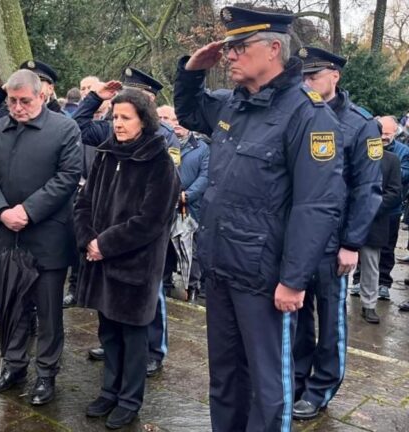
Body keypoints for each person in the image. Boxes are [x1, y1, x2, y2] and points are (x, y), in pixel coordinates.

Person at [174, 6, 346, 431]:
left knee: (269, 389)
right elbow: (190, 114)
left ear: (274, 48)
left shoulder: (307, 114)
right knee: (225, 380)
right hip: (222, 266)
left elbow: (317, 205)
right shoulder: (237, 104)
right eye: (228, 47)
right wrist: (192, 72)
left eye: (238, 46)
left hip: (265, 278)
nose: (229, 55)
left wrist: (293, 279)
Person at [74, 88, 180, 429]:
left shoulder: (159, 161)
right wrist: (88, 238)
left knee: (134, 337)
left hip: (135, 265)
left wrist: (105, 243)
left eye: (125, 118)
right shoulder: (106, 155)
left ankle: (130, 399)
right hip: (101, 261)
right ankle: (109, 390)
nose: (117, 124)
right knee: (108, 331)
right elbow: (84, 202)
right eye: (115, 117)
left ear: (143, 120)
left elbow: (151, 220)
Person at [0, 69, 82, 406]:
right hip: (8, 236)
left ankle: (47, 374)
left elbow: (68, 177)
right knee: (9, 306)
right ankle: (14, 365)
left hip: (47, 236)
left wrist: (29, 210)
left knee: (48, 312)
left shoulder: (64, 128)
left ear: (42, 96)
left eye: (25, 101)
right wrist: (2, 210)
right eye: (12, 101)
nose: (18, 108)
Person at [290, 47, 383, 420]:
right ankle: (296, 378)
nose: (307, 82)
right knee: (295, 315)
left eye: (314, 75)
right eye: (304, 76)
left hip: (334, 245)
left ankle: (322, 385)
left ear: (335, 76)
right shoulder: (298, 115)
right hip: (299, 238)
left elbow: (367, 189)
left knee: (330, 320)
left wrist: (351, 244)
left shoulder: (361, 125)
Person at [352, 116, 408, 300]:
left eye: (387, 133)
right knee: (359, 248)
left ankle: (383, 283)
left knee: (384, 250)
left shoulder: (400, 153)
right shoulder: (360, 153)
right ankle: (359, 281)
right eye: (380, 132)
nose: (383, 137)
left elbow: (401, 180)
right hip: (362, 212)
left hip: (388, 212)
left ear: (395, 133)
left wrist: (373, 205)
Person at [157, 105, 210, 300]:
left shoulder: (201, 147)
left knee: (191, 249)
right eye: (166, 118)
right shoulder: (160, 142)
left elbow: (206, 175)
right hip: (164, 203)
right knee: (166, 247)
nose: (174, 123)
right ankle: (165, 283)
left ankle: (192, 287)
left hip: (190, 207)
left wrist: (187, 195)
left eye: (176, 119)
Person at [357, 145, 402, 325]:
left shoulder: (391, 160)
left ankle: (368, 305)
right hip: (344, 220)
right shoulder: (352, 152)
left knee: (371, 265)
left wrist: (369, 210)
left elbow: (394, 192)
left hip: (373, 221)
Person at [0, 60, 64, 128]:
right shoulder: (12, 113)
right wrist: (1, 92)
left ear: (50, 89)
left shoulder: (61, 120)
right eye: (26, 82)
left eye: (38, 82)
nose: (32, 86)